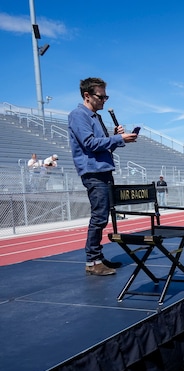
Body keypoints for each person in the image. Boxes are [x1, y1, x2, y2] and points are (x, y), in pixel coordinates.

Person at [68, 77, 138, 275]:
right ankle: (92, 261)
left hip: (103, 169)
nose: (104, 100)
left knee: (103, 215)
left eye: (106, 96)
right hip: (93, 172)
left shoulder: (96, 117)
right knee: (99, 216)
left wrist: (118, 138)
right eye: (101, 96)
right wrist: (117, 138)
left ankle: (97, 257)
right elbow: (89, 144)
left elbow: (104, 146)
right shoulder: (78, 115)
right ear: (87, 95)